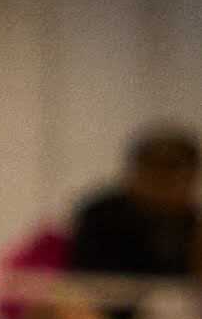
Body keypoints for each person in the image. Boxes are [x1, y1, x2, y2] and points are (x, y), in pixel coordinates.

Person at [63, 124, 201, 290]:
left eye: (172, 174)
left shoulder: (191, 222)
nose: (162, 184)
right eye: (155, 171)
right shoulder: (103, 215)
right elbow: (89, 279)